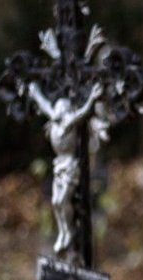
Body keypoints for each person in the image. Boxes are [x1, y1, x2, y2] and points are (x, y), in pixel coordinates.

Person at [28, 80, 103, 254]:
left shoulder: (68, 121)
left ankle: (69, 231)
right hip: (58, 164)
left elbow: (82, 113)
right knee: (55, 202)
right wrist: (36, 92)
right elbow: (45, 105)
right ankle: (63, 232)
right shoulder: (55, 119)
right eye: (58, 108)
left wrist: (92, 98)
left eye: (62, 108)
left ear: (66, 110)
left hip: (70, 165)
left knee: (63, 200)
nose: (58, 111)